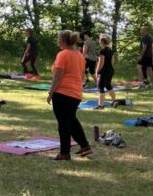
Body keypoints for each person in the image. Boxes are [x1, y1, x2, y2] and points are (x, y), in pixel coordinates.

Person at [46, 30, 92, 160]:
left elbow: (58, 77)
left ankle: (64, 153)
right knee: (71, 120)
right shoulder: (80, 56)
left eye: (58, 40)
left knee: (64, 123)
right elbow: (82, 76)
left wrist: (51, 93)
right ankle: (85, 146)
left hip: (62, 93)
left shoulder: (63, 54)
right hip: (76, 93)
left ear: (62, 41)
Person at [95, 34, 116, 108]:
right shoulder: (111, 50)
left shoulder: (102, 51)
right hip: (110, 70)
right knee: (108, 85)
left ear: (102, 41)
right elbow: (112, 61)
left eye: (100, 40)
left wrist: (97, 72)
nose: (99, 42)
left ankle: (100, 105)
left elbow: (101, 63)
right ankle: (114, 101)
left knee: (100, 87)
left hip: (104, 71)